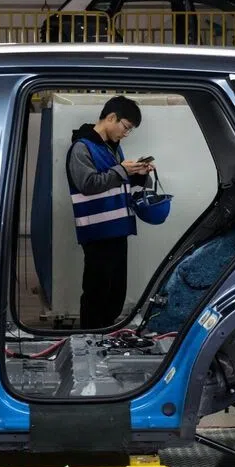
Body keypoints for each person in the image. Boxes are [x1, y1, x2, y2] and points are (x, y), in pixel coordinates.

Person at [65, 96, 154, 330]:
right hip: (97, 232)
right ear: (111, 118)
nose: (125, 134)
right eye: (125, 127)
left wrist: (139, 172)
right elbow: (89, 184)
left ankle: (106, 334)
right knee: (97, 291)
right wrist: (122, 170)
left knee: (115, 293)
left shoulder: (113, 148)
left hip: (117, 229)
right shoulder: (82, 147)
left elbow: (116, 180)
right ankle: (90, 337)